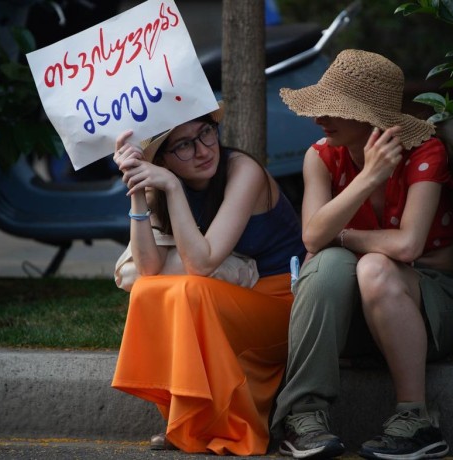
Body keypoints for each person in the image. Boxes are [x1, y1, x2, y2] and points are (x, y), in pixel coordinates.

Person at [270, 49, 453, 460]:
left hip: (426, 313)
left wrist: (340, 236)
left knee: (376, 267)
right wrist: (368, 178)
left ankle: (416, 420)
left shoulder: (424, 153)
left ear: (370, 117)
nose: (319, 119)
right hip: (352, 320)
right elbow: (312, 237)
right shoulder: (320, 156)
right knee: (327, 264)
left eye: (333, 110)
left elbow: (408, 246)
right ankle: (304, 416)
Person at [110, 103, 307, 455]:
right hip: (235, 300)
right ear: (165, 158)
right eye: (184, 145)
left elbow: (201, 264)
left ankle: (218, 423)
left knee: (191, 289)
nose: (202, 150)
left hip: (284, 308)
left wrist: (171, 186)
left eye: (205, 132)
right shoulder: (163, 181)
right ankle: (185, 419)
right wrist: (138, 188)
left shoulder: (243, 171)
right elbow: (149, 268)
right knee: (148, 290)